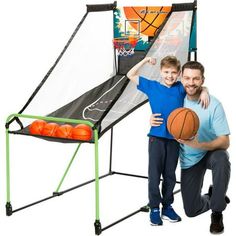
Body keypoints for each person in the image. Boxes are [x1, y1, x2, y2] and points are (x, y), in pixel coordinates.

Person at [127, 56, 209, 226]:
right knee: (154, 176)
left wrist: (205, 90)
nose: (170, 76)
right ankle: (154, 208)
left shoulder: (180, 88)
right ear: (160, 72)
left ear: (179, 74)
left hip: (175, 139)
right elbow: (130, 74)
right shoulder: (152, 86)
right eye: (166, 72)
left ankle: (167, 207)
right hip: (156, 138)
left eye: (173, 73)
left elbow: (196, 87)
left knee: (170, 176)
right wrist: (145, 60)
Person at [150, 61, 231, 234]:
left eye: (196, 79)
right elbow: (162, 110)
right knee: (191, 211)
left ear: (202, 80)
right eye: (187, 78)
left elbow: (225, 142)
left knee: (221, 158)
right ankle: (213, 196)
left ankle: (217, 211)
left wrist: (199, 144)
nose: (191, 82)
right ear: (181, 77)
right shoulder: (178, 99)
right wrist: (152, 121)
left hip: (210, 153)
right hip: (190, 160)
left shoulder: (213, 104)